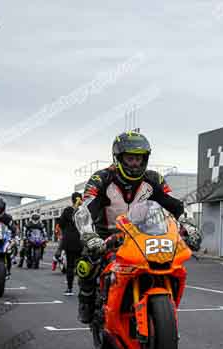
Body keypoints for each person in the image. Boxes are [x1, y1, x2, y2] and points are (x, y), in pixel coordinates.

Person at [75, 130, 184, 324]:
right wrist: (89, 235)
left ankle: (162, 306)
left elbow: (173, 206)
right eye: (130, 158)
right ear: (118, 158)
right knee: (86, 264)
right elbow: (85, 209)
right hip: (106, 236)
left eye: (139, 159)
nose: (135, 163)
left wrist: (186, 227)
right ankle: (86, 300)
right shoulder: (101, 179)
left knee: (172, 265)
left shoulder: (154, 180)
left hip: (144, 236)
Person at [55, 192, 84, 295]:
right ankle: (84, 289)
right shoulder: (84, 210)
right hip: (82, 241)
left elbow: (61, 224)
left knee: (70, 266)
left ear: (72, 200)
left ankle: (69, 289)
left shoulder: (67, 210)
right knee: (83, 265)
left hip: (70, 241)